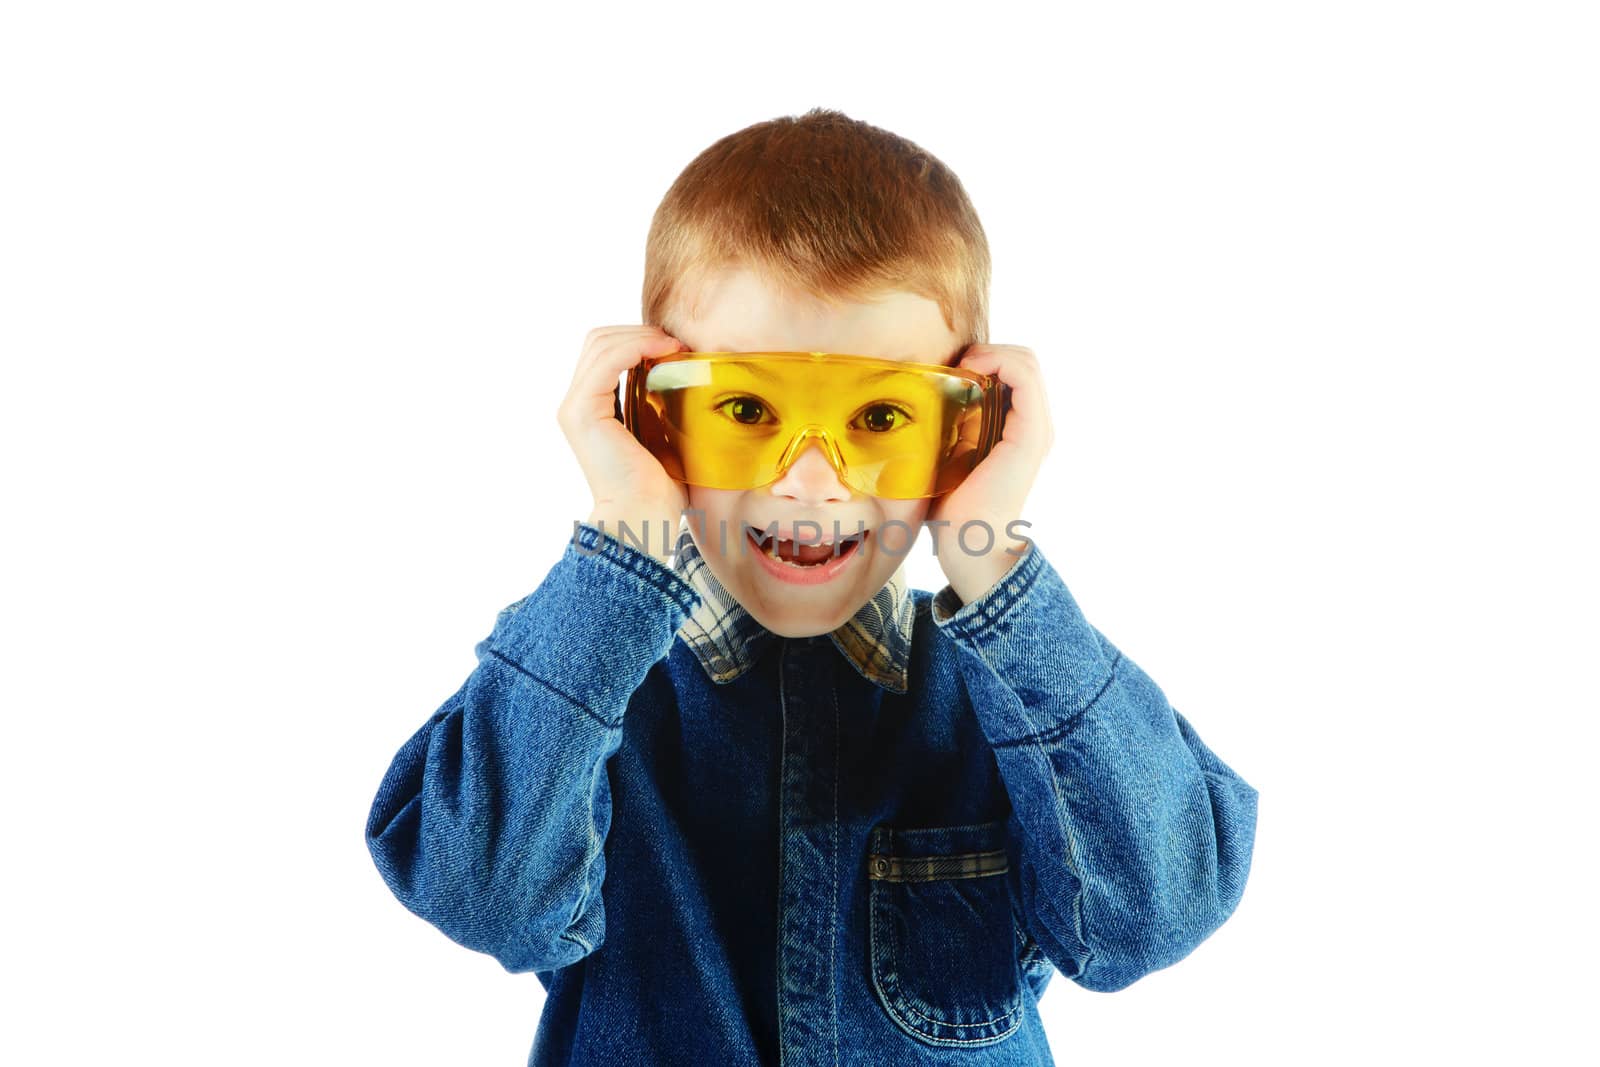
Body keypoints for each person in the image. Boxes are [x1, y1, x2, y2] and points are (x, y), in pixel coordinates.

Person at [364, 107, 1259, 1066]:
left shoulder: (1001, 696)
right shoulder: (594, 702)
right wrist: (627, 536)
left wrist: (993, 561)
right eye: (746, 407)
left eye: (881, 414)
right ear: (651, 413)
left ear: (967, 428)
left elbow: (1148, 920)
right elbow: (480, 892)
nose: (811, 481)